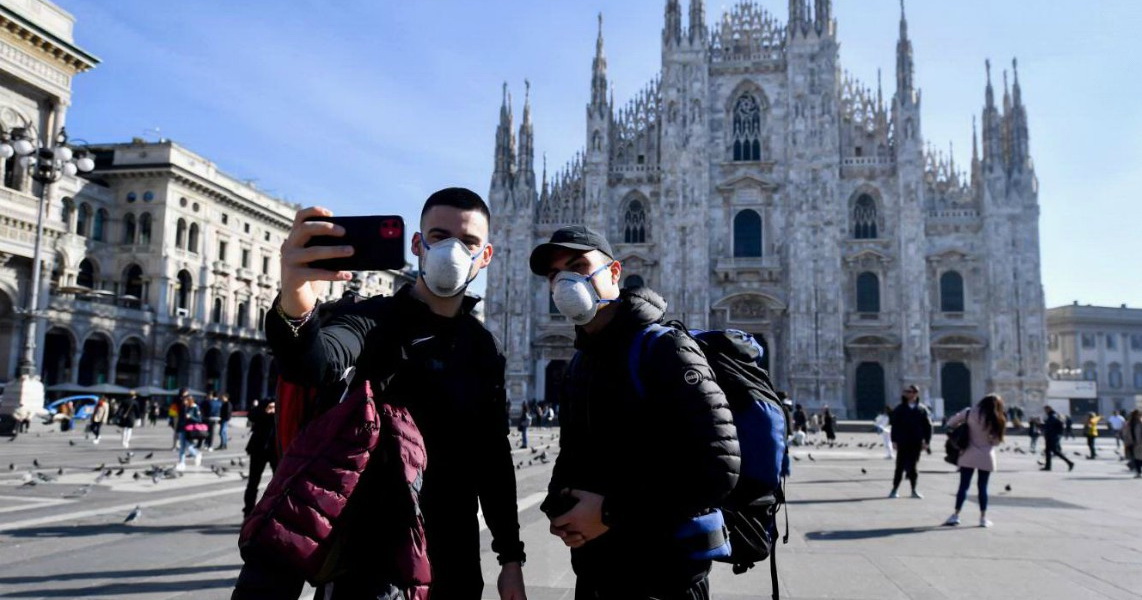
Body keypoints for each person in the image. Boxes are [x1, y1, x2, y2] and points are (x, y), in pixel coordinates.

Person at [235, 188, 525, 600]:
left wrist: (510, 559)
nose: (452, 252)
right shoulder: (372, 320)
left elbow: (493, 459)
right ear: (417, 244)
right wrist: (296, 300)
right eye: (439, 237)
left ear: (487, 255)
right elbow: (314, 362)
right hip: (372, 558)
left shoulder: (484, 348)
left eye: (468, 243)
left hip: (454, 557)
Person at [530, 224, 740, 599]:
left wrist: (610, 511)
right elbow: (574, 453)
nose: (565, 283)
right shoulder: (581, 361)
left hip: (664, 576)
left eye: (578, 267)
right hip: (597, 571)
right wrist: (559, 505)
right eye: (554, 276)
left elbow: (717, 469)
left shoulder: (666, 348)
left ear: (614, 272)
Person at [943, 394, 1006, 528]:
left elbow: (950, 423)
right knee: (982, 487)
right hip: (986, 456)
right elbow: (995, 442)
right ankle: (983, 518)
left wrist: (961, 433)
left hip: (968, 454)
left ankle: (956, 515)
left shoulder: (968, 412)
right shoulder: (997, 418)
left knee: (963, 486)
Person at [889, 385, 932, 499]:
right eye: (905, 392)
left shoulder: (922, 409)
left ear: (915, 394)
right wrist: (894, 440)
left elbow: (928, 426)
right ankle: (894, 489)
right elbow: (895, 425)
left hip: (915, 442)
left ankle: (914, 490)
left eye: (909, 392)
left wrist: (927, 441)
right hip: (903, 441)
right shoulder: (900, 408)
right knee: (899, 466)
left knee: (913, 466)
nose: (906, 394)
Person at [243, 399, 278, 517]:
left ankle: (275, 509)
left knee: (278, 482)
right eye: (270, 407)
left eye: (274, 408)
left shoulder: (279, 417)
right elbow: (251, 415)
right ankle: (248, 510)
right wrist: (264, 411)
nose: (272, 410)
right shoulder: (260, 415)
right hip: (258, 451)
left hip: (275, 452)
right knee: (253, 482)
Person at [175, 391, 204, 471]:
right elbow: (180, 419)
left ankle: (196, 454)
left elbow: (199, 420)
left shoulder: (195, 407)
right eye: (184, 400)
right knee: (182, 447)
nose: (184, 402)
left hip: (189, 430)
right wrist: (177, 429)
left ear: (189, 400)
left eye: (186, 400)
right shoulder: (183, 407)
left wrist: (191, 417)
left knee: (188, 446)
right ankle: (182, 463)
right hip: (182, 429)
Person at [1041, 406, 1074, 472]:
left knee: (1055, 451)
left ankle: (1069, 463)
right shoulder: (1053, 415)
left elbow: (1050, 426)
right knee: (1048, 451)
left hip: (1052, 435)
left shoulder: (1053, 416)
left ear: (1049, 409)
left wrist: (1040, 425)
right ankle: (1048, 466)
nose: (1045, 411)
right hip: (1051, 435)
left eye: (1046, 409)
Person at [1120, 409, 1142, 478]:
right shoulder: (1128, 423)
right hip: (1131, 443)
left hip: (1140, 443)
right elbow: (1124, 432)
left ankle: (1137, 470)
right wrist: (1126, 440)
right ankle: (1138, 472)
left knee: (1139, 457)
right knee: (1135, 458)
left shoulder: (1140, 422)